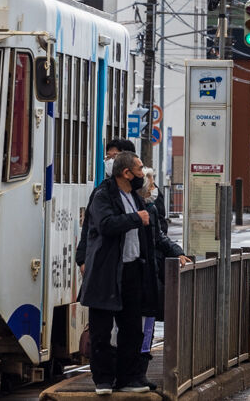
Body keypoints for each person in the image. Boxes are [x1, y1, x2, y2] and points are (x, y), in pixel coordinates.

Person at [78, 151, 189, 395]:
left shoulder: (136, 198)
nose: (143, 174)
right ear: (126, 173)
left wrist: (176, 251)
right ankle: (103, 379)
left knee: (131, 329)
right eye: (139, 169)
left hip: (133, 271)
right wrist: (136, 219)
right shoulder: (103, 195)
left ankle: (128, 378)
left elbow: (155, 235)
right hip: (106, 273)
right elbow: (105, 225)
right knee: (101, 330)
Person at [136, 167, 186, 386]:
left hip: (150, 274)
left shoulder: (152, 208)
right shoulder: (131, 207)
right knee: (130, 327)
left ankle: (140, 371)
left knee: (147, 324)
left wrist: (178, 252)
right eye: (151, 183)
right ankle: (128, 372)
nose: (154, 188)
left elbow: (159, 237)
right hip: (135, 275)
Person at [76, 138, 136, 272]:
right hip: (109, 263)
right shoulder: (102, 192)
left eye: (115, 156)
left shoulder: (140, 193)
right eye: (108, 157)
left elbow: (156, 232)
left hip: (134, 265)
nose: (110, 161)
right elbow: (90, 226)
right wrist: (82, 259)